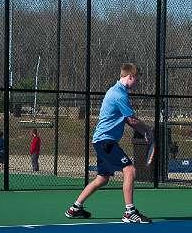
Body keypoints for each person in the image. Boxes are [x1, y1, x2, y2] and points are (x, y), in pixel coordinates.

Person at [65, 63, 153, 223]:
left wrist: (144, 131)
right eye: (137, 80)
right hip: (106, 141)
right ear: (130, 77)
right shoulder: (119, 94)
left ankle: (75, 208)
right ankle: (129, 212)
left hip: (102, 140)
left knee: (102, 178)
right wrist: (147, 130)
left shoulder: (116, 91)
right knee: (130, 170)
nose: (137, 83)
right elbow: (132, 120)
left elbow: (127, 119)